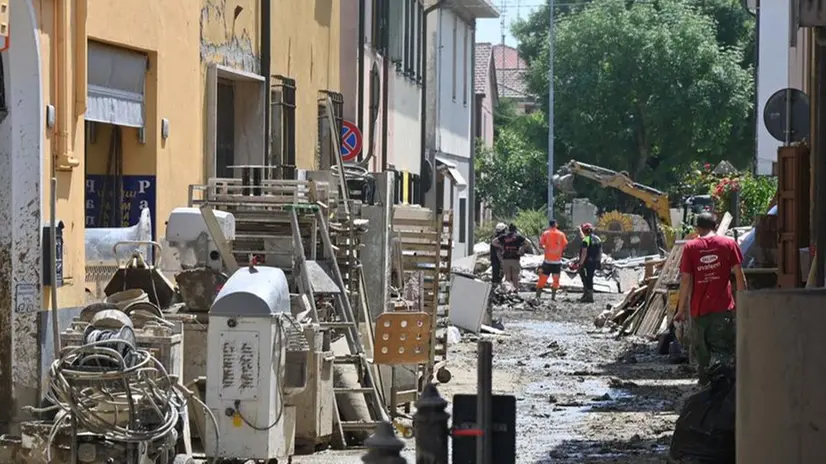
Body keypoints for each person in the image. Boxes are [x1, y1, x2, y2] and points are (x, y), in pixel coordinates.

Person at [675, 212, 746, 386]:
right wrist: (744, 305)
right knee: (724, 352)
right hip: (723, 309)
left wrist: (680, 310)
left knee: (702, 355)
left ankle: (705, 390)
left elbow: (685, 280)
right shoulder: (729, 244)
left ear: (697, 228)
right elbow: (739, 276)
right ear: (715, 226)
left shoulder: (691, 247)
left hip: (699, 311)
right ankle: (724, 389)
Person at [536, 219, 568, 300]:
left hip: (547, 261)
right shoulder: (561, 234)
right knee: (556, 280)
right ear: (556, 224)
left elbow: (540, 245)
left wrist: (547, 248)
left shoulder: (545, 233)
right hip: (557, 262)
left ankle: (537, 297)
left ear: (549, 225)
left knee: (542, 279)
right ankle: (553, 297)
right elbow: (565, 246)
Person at [493, 223, 529, 289]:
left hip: (506, 258)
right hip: (515, 258)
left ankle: (508, 292)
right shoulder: (518, 236)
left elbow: (494, 242)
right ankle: (515, 292)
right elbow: (528, 242)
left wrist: (501, 247)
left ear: (509, 229)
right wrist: (521, 249)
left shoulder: (504, 236)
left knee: (507, 277)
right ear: (515, 229)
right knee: (515, 276)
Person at [576, 223, 602, 303]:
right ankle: (587, 295)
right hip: (594, 262)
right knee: (590, 277)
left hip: (587, 262)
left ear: (585, 231)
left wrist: (580, 263)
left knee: (586, 278)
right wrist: (599, 261)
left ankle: (588, 296)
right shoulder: (598, 239)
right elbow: (600, 251)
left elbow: (584, 252)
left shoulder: (586, 240)